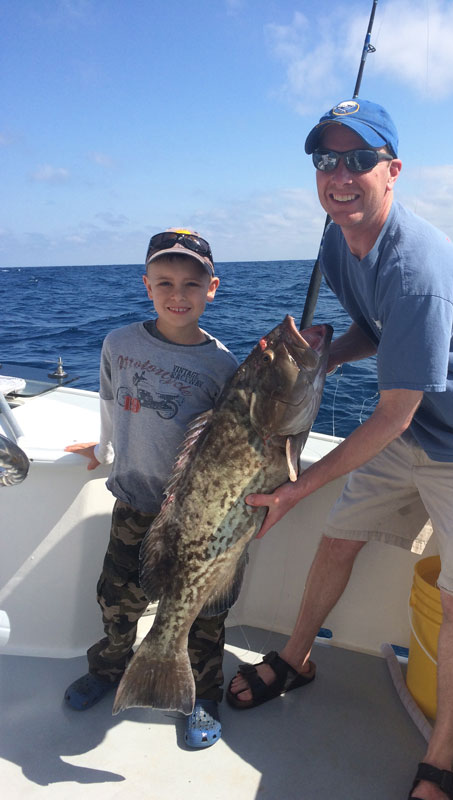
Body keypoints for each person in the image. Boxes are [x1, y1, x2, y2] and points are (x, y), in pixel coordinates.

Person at [227, 99, 453, 799]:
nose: (340, 174)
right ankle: (296, 659)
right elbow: (377, 328)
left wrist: (298, 486)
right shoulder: (337, 241)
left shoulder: (418, 268)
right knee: (337, 540)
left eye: (359, 159)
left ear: (392, 171)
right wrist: (325, 362)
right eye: (325, 159)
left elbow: (394, 415)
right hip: (417, 422)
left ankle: (444, 757)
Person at [64, 228, 239, 750]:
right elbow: (110, 402)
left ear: (213, 288)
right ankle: (110, 666)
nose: (177, 294)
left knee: (205, 614)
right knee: (117, 599)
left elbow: (233, 445)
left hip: (199, 521)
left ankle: (203, 694)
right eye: (165, 281)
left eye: (192, 282)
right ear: (146, 285)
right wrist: (102, 449)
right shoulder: (118, 343)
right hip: (134, 505)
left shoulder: (222, 365)